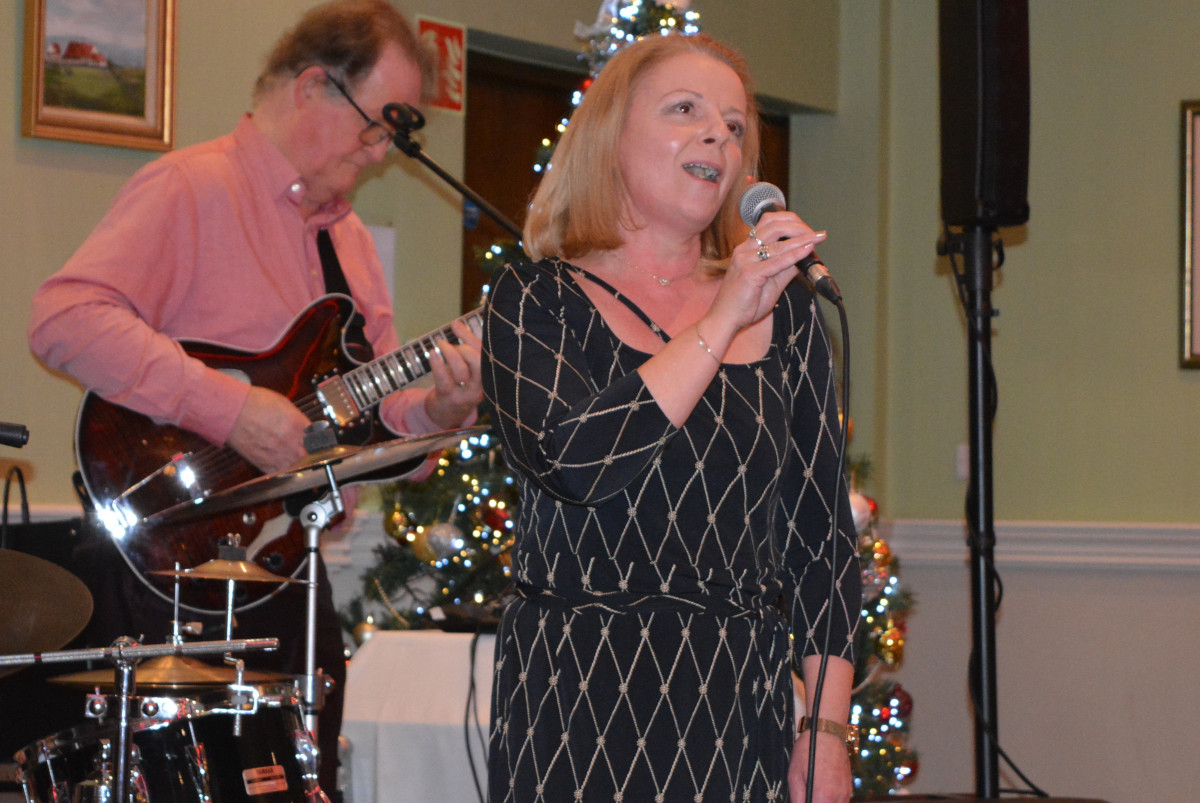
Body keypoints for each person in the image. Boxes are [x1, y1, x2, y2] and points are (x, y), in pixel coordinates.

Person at [28, 1, 482, 797]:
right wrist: (231, 410)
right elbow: (64, 319)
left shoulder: (348, 244)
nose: (382, 152)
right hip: (168, 560)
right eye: (376, 127)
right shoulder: (190, 187)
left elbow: (372, 417)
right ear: (314, 87)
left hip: (287, 573)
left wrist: (438, 414)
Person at [481, 33, 862, 803]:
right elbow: (577, 463)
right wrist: (722, 319)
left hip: (736, 700)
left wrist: (825, 732)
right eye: (685, 110)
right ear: (610, 136)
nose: (718, 135)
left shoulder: (786, 311)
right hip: (576, 697)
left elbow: (822, 540)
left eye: (733, 124)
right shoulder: (535, 300)